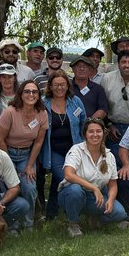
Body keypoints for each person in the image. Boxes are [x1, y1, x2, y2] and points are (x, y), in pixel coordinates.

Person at [59, 119, 129, 237]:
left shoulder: (109, 155)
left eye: (98, 131)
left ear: (104, 133)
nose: (95, 135)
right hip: (72, 194)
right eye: (91, 131)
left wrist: (111, 200)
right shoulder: (76, 150)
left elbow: (112, 184)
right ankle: (73, 224)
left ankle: (95, 219)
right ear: (85, 134)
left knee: (120, 213)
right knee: (75, 190)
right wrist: (94, 188)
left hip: (95, 198)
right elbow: (68, 174)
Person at [0, 79, 46, 224]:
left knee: (29, 188)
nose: (31, 94)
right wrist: (9, 165)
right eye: (27, 91)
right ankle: (11, 224)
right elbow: (0, 139)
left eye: (34, 91)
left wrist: (30, 166)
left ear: (38, 95)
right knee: (11, 188)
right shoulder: (9, 112)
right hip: (6, 153)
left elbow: (38, 141)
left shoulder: (41, 114)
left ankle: (28, 223)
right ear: (21, 94)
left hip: (26, 156)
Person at [41, 72, 87, 219]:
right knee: (66, 179)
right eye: (56, 84)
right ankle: (71, 212)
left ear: (68, 85)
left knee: (57, 181)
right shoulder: (43, 103)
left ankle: (52, 213)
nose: (59, 87)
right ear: (50, 86)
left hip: (73, 149)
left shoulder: (76, 101)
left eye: (62, 84)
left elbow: (83, 124)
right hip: (53, 150)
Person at [70, 55, 110, 121]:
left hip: (91, 128)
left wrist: (89, 123)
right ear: (73, 69)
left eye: (85, 66)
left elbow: (103, 110)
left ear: (90, 70)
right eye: (78, 66)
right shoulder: (66, 87)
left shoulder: (98, 89)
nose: (81, 69)